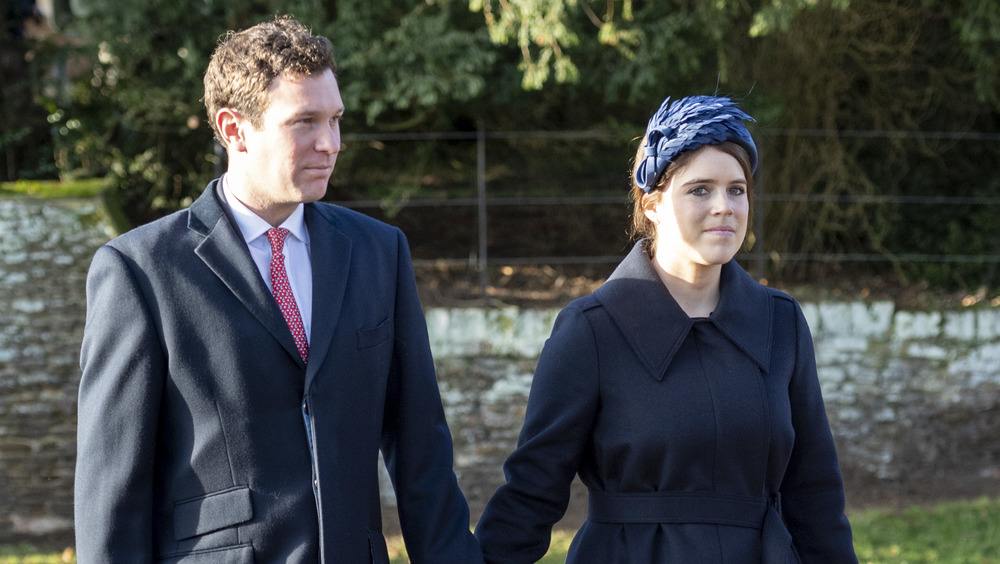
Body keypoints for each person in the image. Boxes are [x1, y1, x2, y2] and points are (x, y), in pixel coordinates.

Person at [75, 15, 483, 563]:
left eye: (336, 120)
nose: (330, 143)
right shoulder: (140, 270)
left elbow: (421, 454)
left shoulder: (378, 253)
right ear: (233, 129)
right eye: (304, 122)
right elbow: (112, 494)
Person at [474, 95, 858, 563]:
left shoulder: (781, 322)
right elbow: (532, 493)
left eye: (737, 190)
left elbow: (814, 493)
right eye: (700, 190)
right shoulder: (591, 331)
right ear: (652, 204)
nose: (724, 207)